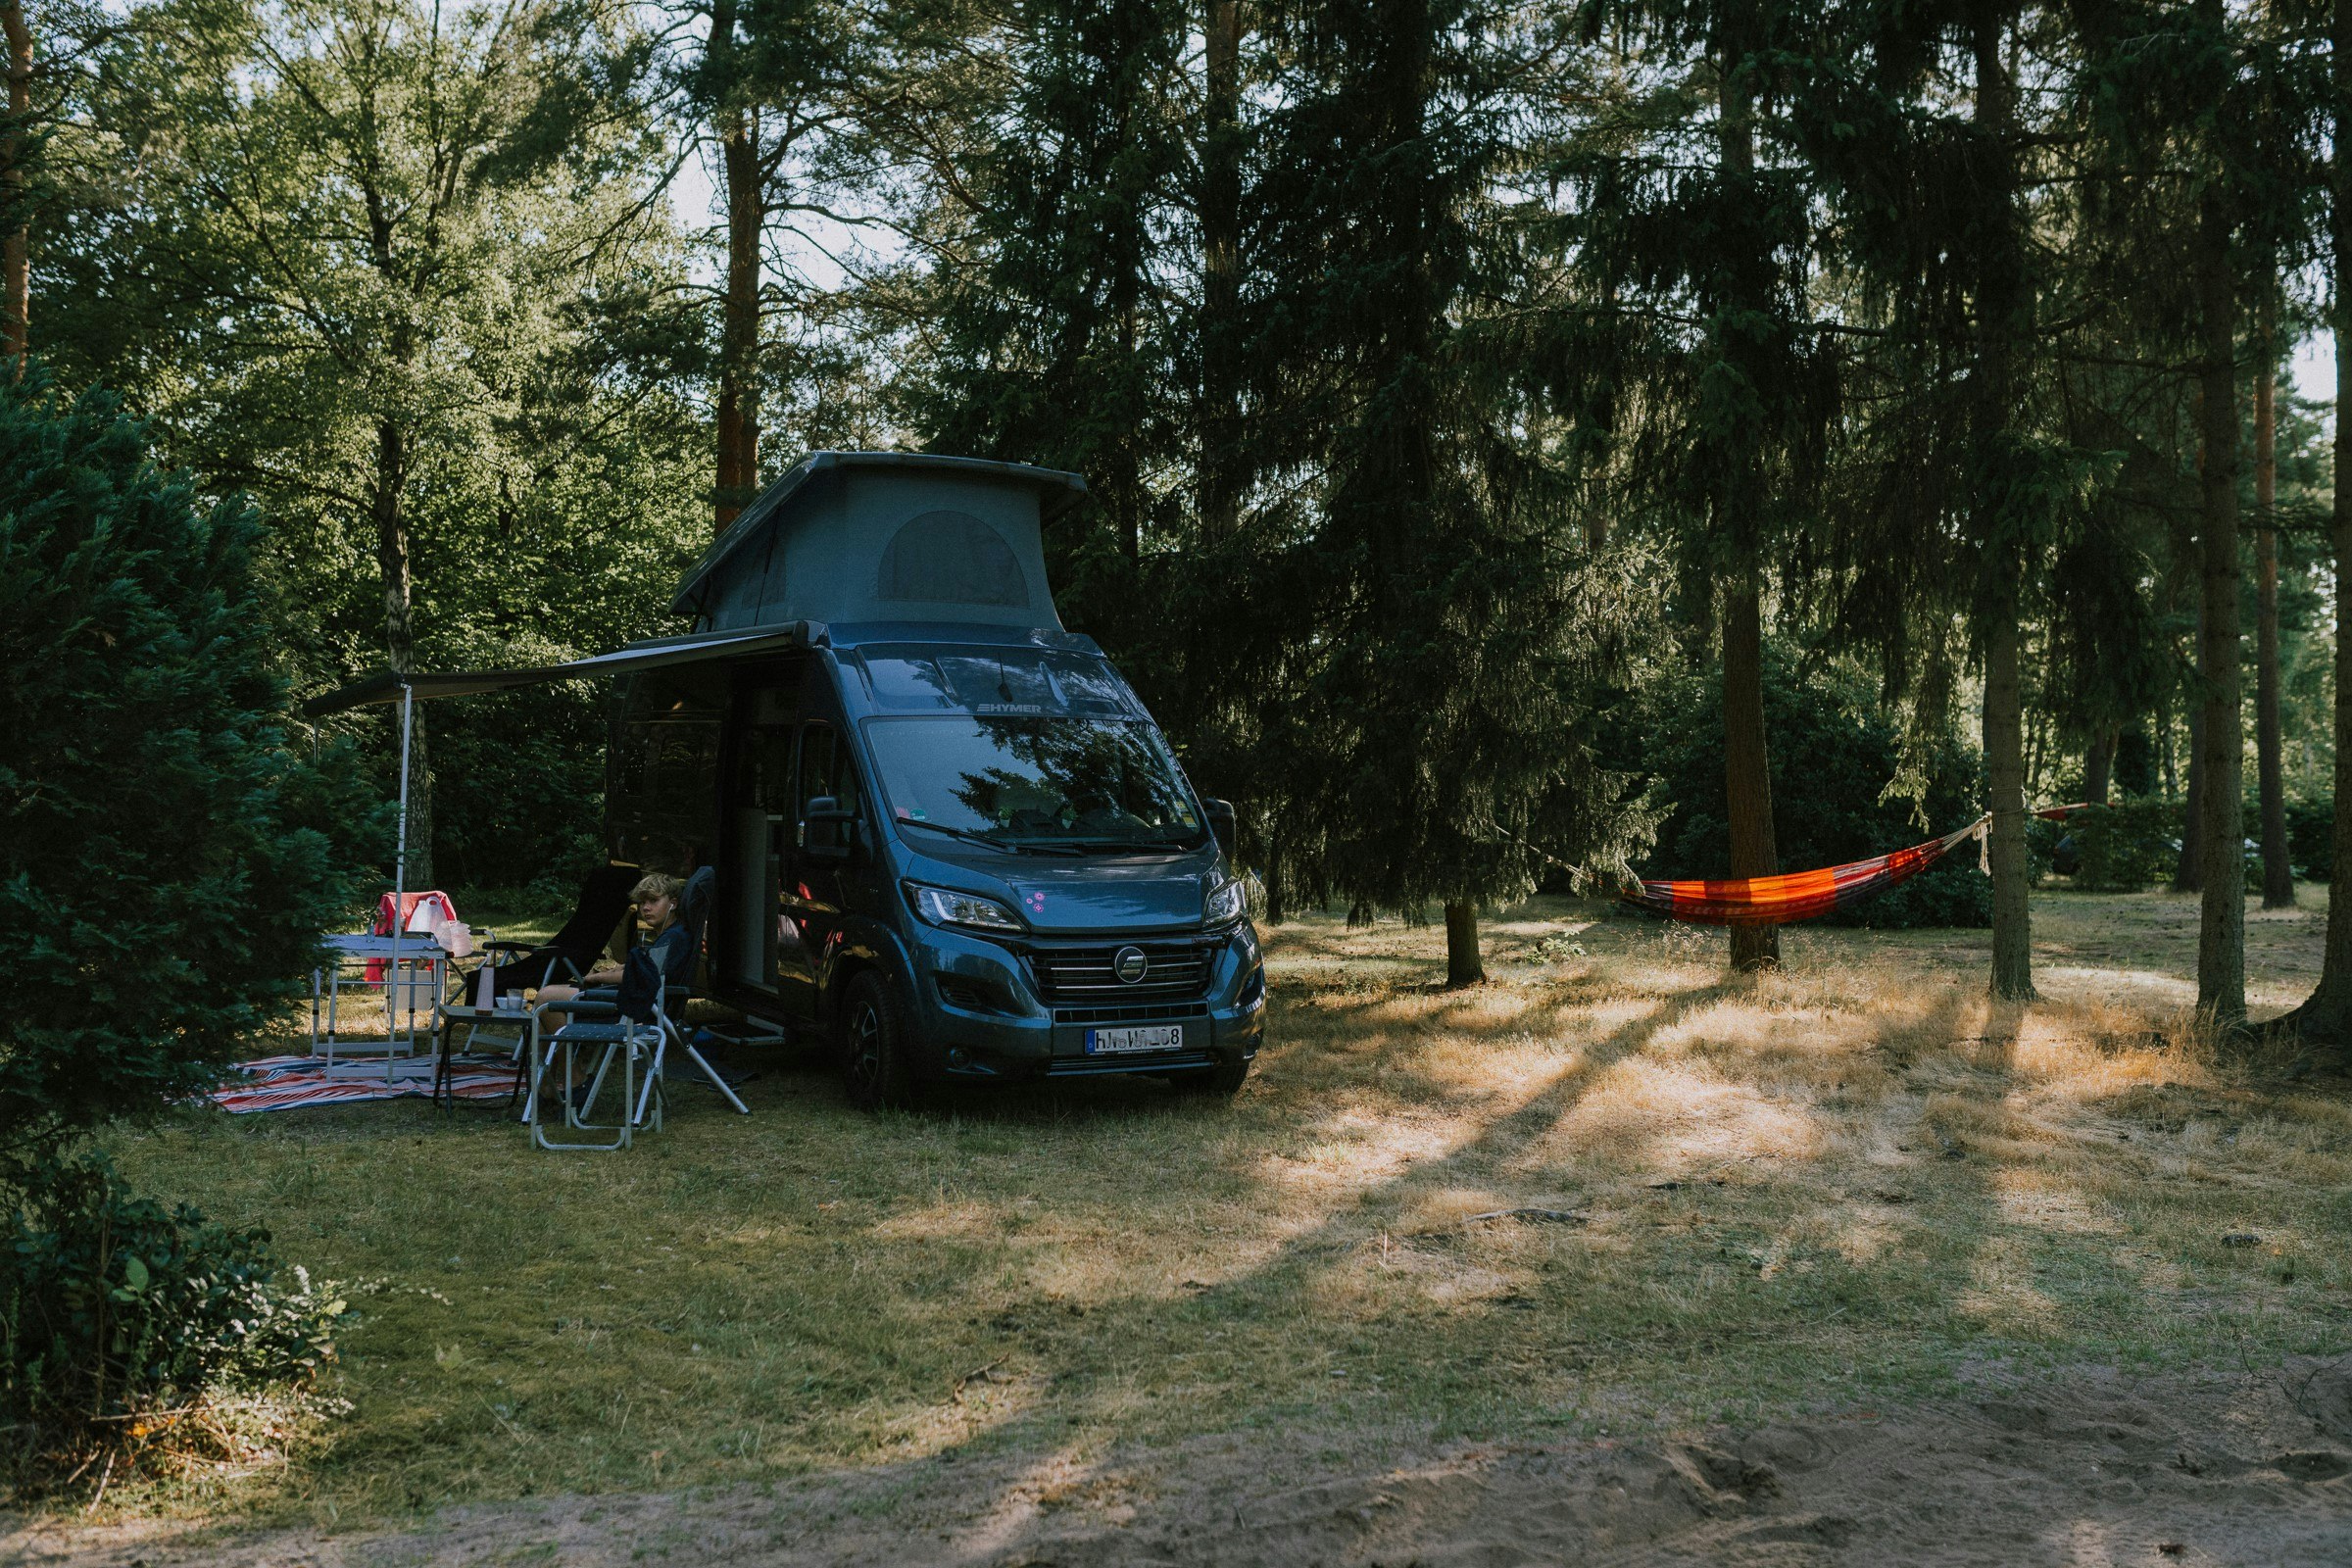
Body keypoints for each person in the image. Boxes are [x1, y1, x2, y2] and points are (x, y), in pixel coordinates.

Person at [535, 871, 691, 1110]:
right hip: (636, 1000)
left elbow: (641, 976)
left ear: (673, 903)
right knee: (544, 1003)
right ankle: (548, 1087)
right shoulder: (668, 936)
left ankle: (575, 1081)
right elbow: (646, 969)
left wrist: (599, 976)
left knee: (546, 999)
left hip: (635, 1008)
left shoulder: (674, 937)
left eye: (652, 901)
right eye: (642, 903)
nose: (645, 908)